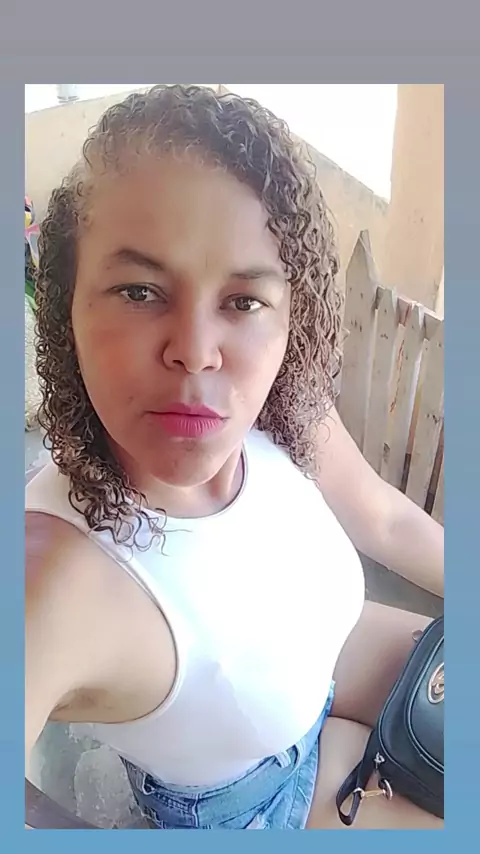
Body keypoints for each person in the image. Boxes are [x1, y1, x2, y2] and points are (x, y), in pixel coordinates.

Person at [26, 84, 444, 830]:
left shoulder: (279, 411)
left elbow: (384, 519)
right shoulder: (54, 576)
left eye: (244, 301)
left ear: (288, 317)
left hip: (332, 656)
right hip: (266, 802)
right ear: (65, 308)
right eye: (139, 291)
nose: (195, 351)